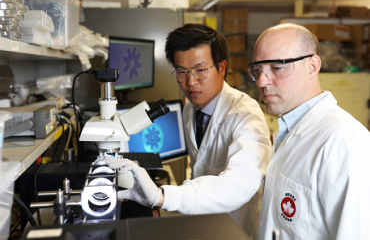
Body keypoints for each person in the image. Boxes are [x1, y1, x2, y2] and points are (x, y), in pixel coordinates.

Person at [107, 24, 271, 239]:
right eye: (182, 72)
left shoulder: (246, 115)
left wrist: (162, 196)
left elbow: (241, 183)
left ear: (222, 68)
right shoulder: (190, 109)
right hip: (202, 221)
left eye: (201, 70)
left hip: (234, 228)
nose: (190, 82)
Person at [247, 23, 370, 239]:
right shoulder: (285, 131)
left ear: (312, 66)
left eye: (277, 67)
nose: (262, 81)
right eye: (258, 70)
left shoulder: (345, 144)